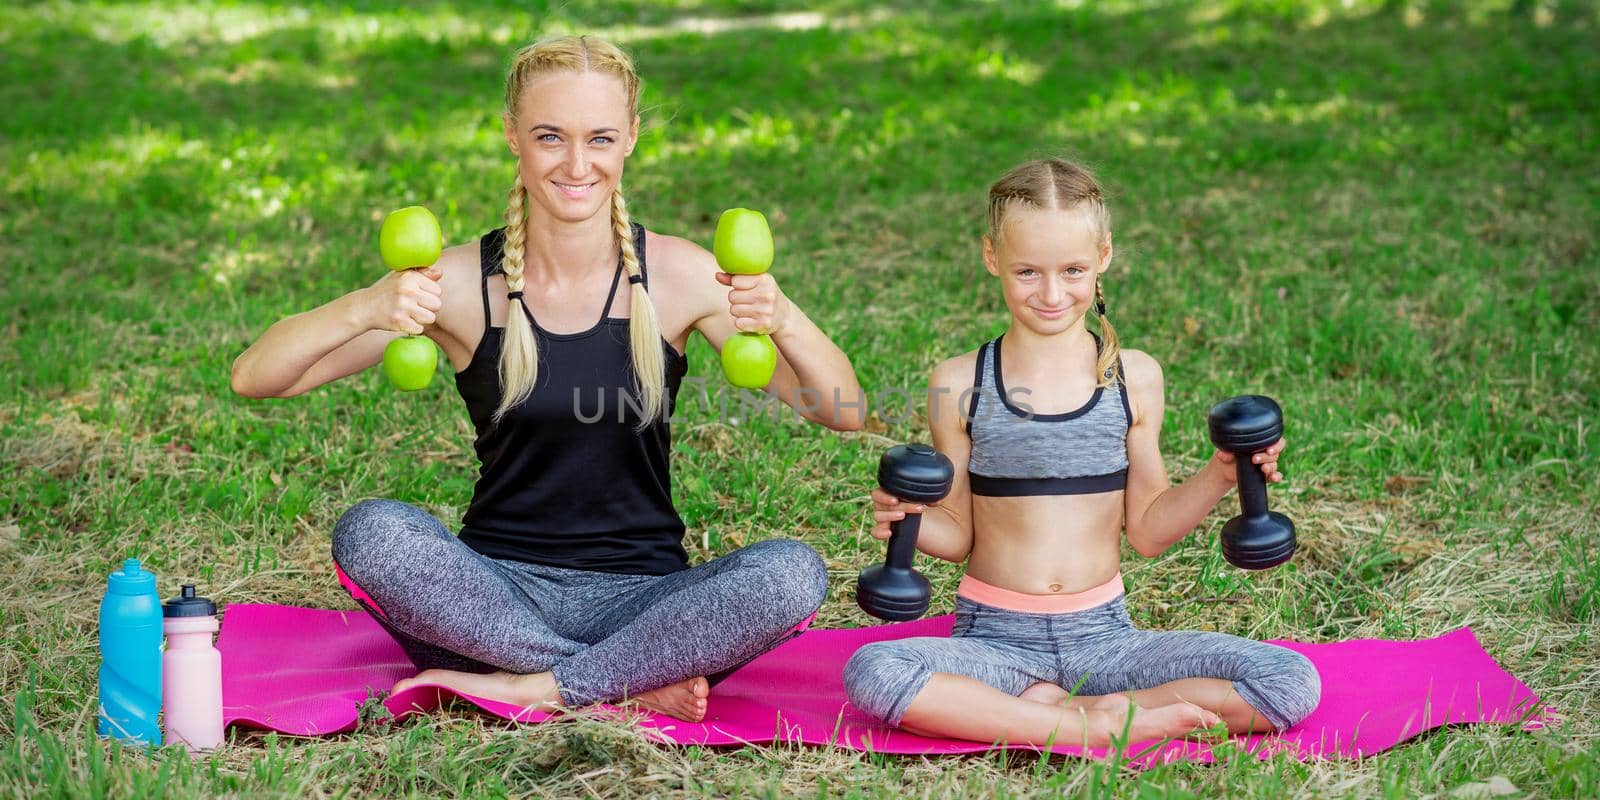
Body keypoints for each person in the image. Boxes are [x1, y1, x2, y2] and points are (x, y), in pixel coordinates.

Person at [230, 35, 864, 723]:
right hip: (493, 597)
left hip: (644, 598)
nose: (576, 163)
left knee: (791, 573)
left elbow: (843, 410)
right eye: (549, 137)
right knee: (372, 531)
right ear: (512, 137)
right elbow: (259, 377)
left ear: (631, 140)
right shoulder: (459, 284)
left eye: (599, 138)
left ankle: (541, 686)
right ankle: (620, 682)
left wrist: (786, 315)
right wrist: (365, 306)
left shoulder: (680, 276)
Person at [843, 158, 1320, 747]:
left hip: (1107, 638)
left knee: (1289, 681)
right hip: (994, 639)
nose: (1050, 293)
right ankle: (1082, 727)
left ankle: (1073, 713)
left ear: (1104, 257)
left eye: (1072, 270)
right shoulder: (960, 382)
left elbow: (1147, 530)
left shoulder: (1134, 378)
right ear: (991, 257)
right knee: (875, 672)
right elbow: (959, 534)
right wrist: (903, 519)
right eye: (1026, 271)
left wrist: (1223, 474)